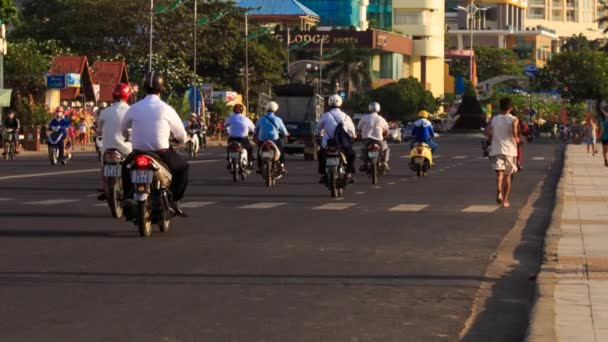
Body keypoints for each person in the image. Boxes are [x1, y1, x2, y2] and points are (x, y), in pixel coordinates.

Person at [121, 72, 189, 216]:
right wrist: (181, 140)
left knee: (125, 168)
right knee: (183, 168)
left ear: (144, 88)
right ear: (162, 88)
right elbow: (181, 135)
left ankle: (127, 197)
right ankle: (174, 200)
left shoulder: (134, 107)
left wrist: (128, 136)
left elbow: (123, 129)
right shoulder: (167, 109)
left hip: (137, 152)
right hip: (161, 152)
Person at [96, 83, 133, 200]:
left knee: (103, 165)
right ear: (127, 96)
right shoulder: (131, 111)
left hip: (108, 148)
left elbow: (99, 130)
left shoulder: (105, 112)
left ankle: (104, 187)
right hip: (126, 148)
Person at [487, 97, 519, 208]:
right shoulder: (514, 119)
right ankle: (505, 200)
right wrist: (516, 138)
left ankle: (498, 190)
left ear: (500, 107)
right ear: (511, 108)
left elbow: (488, 132)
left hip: (496, 149)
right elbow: (514, 131)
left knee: (499, 173)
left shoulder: (494, 119)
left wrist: (492, 137)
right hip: (510, 150)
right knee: (508, 176)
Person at [317, 94, 357, 183]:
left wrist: (318, 134)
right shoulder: (346, 117)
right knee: (351, 155)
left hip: (327, 144)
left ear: (329, 103)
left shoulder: (325, 115)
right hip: (342, 144)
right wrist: (354, 135)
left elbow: (318, 128)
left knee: (320, 154)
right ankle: (349, 173)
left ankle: (323, 173)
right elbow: (352, 131)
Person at [255, 101, 288, 174]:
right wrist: (286, 134)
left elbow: (256, 129)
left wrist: (257, 136)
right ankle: (282, 166)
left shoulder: (261, 119)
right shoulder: (278, 119)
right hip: (274, 139)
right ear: (275, 110)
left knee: (259, 151)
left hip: (262, 139)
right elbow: (284, 131)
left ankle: (259, 167)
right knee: (281, 151)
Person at [357, 101, 390, 171]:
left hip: (367, 140)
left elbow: (359, 128)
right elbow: (387, 130)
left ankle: (365, 164)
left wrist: (360, 134)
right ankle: (384, 163)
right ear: (378, 108)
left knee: (364, 149)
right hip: (379, 140)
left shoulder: (365, 118)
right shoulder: (381, 119)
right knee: (386, 149)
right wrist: (385, 134)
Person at [224, 103, 255, 168]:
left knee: (229, 148)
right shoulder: (246, 119)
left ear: (233, 110)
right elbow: (253, 128)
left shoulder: (230, 117)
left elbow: (225, 125)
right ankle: (250, 163)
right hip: (243, 139)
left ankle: (229, 160)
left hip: (232, 138)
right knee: (250, 148)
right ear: (242, 110)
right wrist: (253, 132)